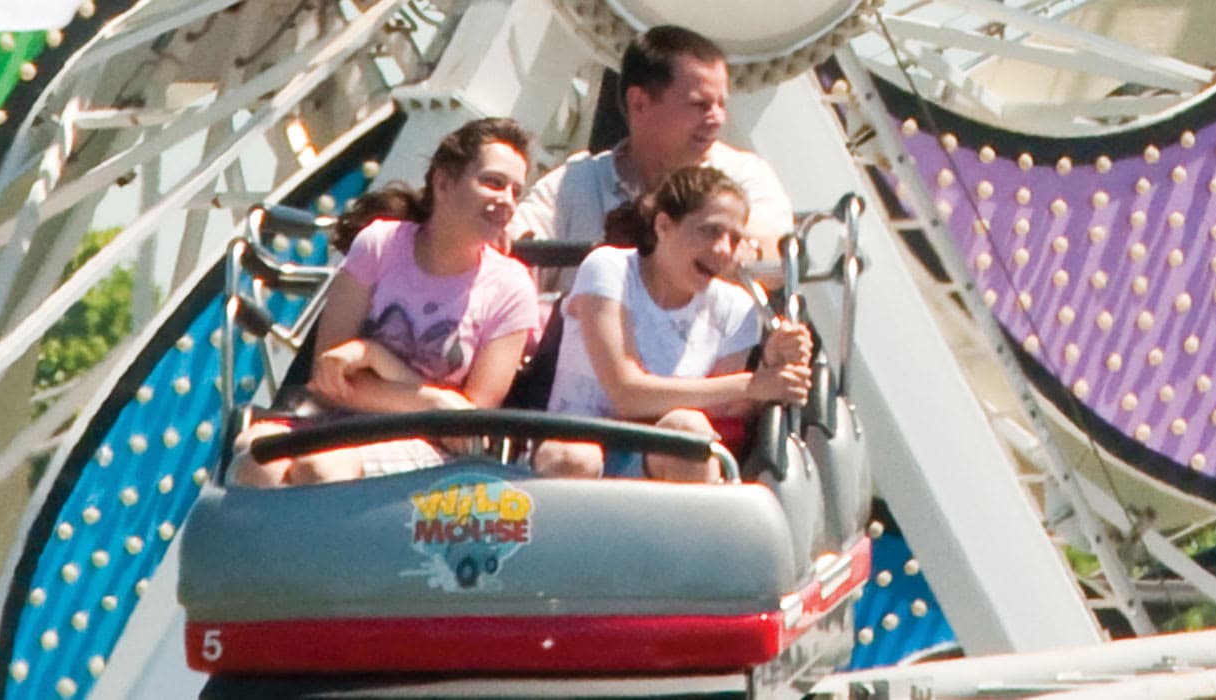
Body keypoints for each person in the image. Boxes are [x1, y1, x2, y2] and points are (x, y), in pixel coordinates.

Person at [231, 118, 541, 487]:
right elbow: (328, 375)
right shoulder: (380, 245)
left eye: (515, 191)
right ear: (443, 183)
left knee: (322, 468)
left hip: (426, 443)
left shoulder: (511, 287)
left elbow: (467, 426)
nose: (506, 201)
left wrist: (374, 358)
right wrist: (433, 402)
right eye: (493, 183)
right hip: (337, 414)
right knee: (256, 459)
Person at [531, 166, 810, 483]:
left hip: (659, 460)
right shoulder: (609, 268)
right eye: (709, 231)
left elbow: (726, 407)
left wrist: (773, 367)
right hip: (578, 442)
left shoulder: (736, 307)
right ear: (663, 226)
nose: (722, 249)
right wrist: (751, 383)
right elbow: (626, 392)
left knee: (688, 432)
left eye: (733, 239)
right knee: (574, 456)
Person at [506, 24, 794, 286]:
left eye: (721, 104)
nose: (717, 118)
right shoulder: (574, 185)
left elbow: (780, 257)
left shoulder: (744, 175)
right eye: (700, 104)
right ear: (640, 103)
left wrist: (744, 252)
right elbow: (510, 258)